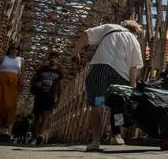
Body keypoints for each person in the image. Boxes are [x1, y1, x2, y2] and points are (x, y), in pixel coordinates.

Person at [71, 20, 144, 152]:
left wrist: (76, 52)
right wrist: (132, 88)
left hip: (101, 68)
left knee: (98, 103)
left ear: (123, 26)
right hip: (121, 77)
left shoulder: (110, 27)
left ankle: (95, 140)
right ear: (135, 32)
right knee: (118, 106)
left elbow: (86, 35)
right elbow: (134, 68)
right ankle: (116, 135)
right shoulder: (135, 41)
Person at [0, 44, 24, 134]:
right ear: (9, 49)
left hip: (13, 84)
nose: (15, 50)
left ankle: (4, 126)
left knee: (9, 105)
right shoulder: (2, 58)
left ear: (19, 51)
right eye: (13, 48)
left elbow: (22, 74)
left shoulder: (21, 60)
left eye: (17, 49)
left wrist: (21, 84)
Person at [29, 51, 64, 145]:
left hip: (50, 96)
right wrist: (36, 84)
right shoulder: (41, 70)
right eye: (51, 57)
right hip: (40, 95)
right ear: (49, 59)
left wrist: (59, 100)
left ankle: (40, 135)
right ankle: (35, 136)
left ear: (58, 60)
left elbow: (61, 87)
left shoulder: (59, 73)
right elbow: (33, 81)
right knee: (37, 116)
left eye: (55, 58)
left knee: (46, 115)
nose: (53, 59)